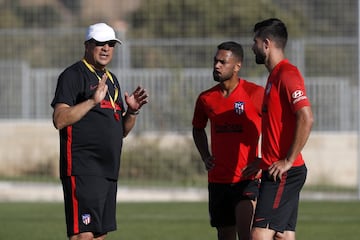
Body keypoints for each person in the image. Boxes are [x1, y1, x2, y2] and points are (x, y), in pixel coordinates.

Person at [51, 23, 148, 240]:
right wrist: (92, 102)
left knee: (99, 235)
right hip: (83, 167)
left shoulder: (112, 80)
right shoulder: (73, 75)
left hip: (109, 170)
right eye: (100, 43)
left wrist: (132, 112)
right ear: (87, 45)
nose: (106, 48)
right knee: (82, 235)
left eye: (111, 44)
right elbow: (59, 120)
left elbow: (120, 131)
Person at [243, 18, 314, 240]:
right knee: (282, 235)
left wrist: (288, 160)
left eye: (254, 41)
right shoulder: (273, 77)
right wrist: (263, 160)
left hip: (283, 173)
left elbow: (306, 117)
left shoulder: (287, 74)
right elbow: (277, 128)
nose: (252, 47)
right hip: (276, 168)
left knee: (259, 235)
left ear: (266, 43)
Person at [192, 41, 264, 240]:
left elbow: (277, 128)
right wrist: (205, 156)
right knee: (225, 235)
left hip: (246, 179)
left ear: (237, 66)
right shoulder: (206, 98)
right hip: (218, 179)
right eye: (216, 61)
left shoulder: (255, 94)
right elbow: (198, 128)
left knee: (246, 234)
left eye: (223, 62)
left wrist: (262, 159)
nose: (217, 65)